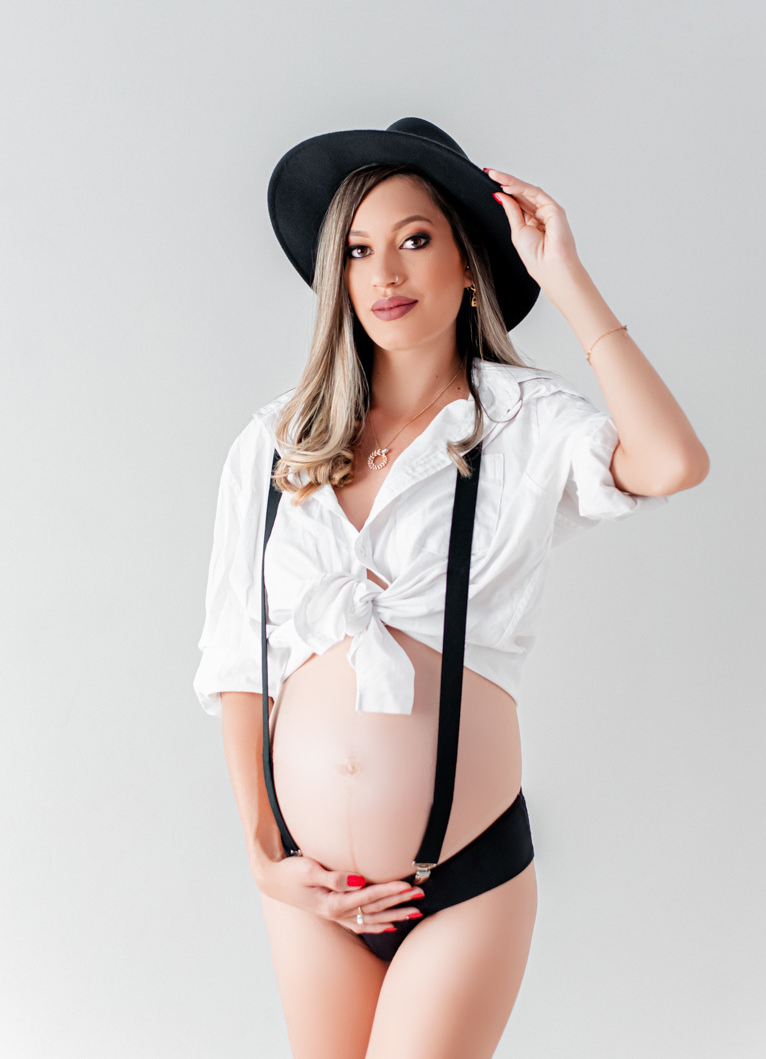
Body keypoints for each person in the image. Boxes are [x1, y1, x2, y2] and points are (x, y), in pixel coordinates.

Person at [194, 117, 709, 1059]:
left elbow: (669, 462)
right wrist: (265, 855)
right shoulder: (273, 443)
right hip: (313, 888)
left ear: (469, 263)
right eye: (358, 250)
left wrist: (566, 279)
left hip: (460, 878)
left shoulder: (525, 421)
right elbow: (239, 660)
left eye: (415, 239)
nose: (384, 273)